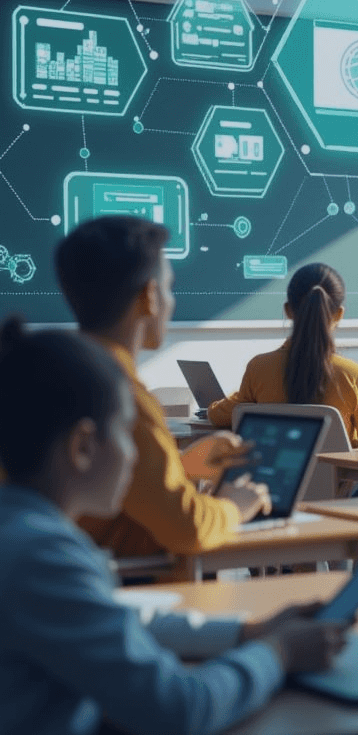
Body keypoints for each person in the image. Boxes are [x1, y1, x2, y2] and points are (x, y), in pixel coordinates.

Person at [0, 316, 346, 735]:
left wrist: (250, 631)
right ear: (83, 447)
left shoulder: (25, 529)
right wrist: (279, 653)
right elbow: (181, 708)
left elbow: (122, 619)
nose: (135, 456)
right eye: (127, 435)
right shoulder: (43, 556)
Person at [55, 215, 273, 561]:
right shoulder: (122, 395)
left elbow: (117, 495)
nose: (172, 302)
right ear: (150, 295)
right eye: (169, 287)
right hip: (127, 587)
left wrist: (183, 465)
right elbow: (188, 529)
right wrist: (234, 506)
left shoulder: (54, 372)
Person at [207, 263, 358, 483]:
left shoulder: (259, 367)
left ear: (288, 310)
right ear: (339, 314)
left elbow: (218, 416)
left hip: (274, 489)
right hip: (337, 492)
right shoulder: (353, 375)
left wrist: (214, 407)